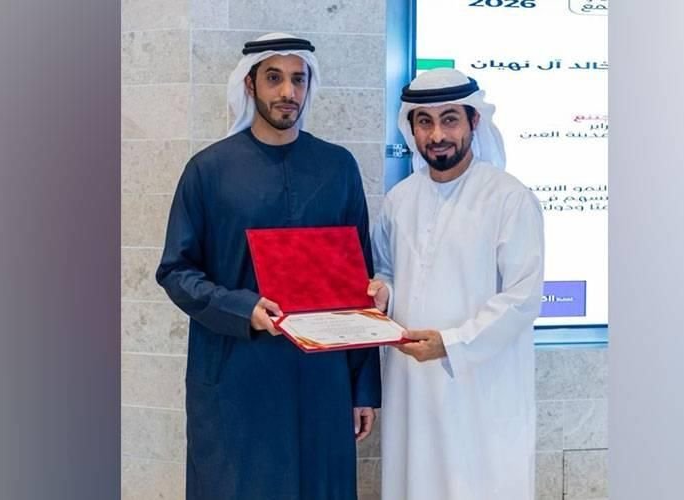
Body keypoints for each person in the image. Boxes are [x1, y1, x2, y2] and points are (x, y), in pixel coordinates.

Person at [156, 32, 381, 500]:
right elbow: (176, 270)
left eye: (298, 80)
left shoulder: (338, 167)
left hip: (322, 380)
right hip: (238, 374)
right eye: (274, 78)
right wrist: (244, 308)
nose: (287, 92)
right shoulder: (208, 170)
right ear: (249, 84)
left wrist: (362, 387)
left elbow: (359, 281)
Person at [368, 68, 545, 499]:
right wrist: (382, 292)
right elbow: (386, 271)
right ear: (411, 128)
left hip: (480, 387)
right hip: (412, 385)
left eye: (450, 119)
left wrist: (451, 343)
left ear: (474, 121)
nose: (437, 135)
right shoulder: (399, 200)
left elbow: (522, 298)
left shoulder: (508, 198)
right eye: (425, 122)